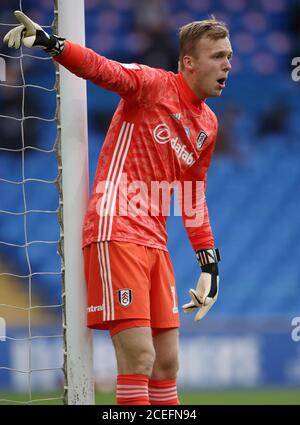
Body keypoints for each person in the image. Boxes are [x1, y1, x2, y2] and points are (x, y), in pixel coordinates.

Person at [4, 11, 232, 405]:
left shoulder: (208, 124)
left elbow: (193, 194)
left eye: (229, 56)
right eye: (218, 56)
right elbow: (102, 69)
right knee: (139, 357)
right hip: (117, 230)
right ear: (188, 63)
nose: (227, 64)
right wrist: (52, 44)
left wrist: (208, 263)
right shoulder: (153, 85)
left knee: (167, 365)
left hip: (155, 243)